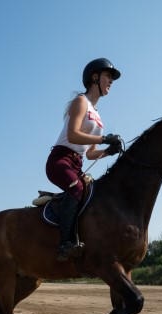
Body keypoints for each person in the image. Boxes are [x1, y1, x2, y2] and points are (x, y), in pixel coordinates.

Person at [46, 58, 124, 261]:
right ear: (94, 77)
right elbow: (72, 136)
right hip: (60, 160)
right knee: (77, 188)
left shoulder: (98, 116)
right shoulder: (81, 101)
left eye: (112, 79)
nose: (111, 81)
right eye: (108, 76)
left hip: (77, 163)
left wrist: (109, 151)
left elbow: (90, 153)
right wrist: (104, 138)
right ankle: (64, 244)